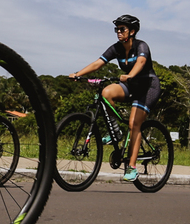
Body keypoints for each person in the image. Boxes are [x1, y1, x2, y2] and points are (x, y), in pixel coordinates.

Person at [68, 15, 161, 182]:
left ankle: (131, 167)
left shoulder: (141, 46)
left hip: (148, 87)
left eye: (122, 29)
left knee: (134, 124)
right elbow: (98, 63)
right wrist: (77, 74)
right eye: (116, 29)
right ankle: (115, 132)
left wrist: (130, 75)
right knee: (106, 93)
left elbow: (141, 62)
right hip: (131, 85)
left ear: (132, 32)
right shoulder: (116, 48)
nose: (118, 32)